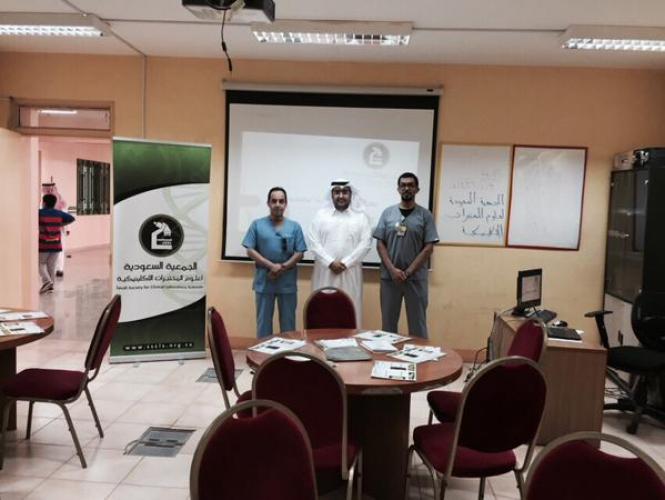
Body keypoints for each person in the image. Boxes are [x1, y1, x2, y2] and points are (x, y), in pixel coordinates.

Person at [373, 172, 439, 338]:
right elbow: (380, 244)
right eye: (403, 185)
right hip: (390, 279)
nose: (407, 188)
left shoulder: (425, 215)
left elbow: (428, 247)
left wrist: (408, 272)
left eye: (410, 185)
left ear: (417, 189)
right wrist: (392, 270)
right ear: (398, 189)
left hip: (415, 280)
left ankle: (420, 355)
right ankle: (387, 353)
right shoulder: (387, 213)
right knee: (388, 326)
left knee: (417, 325)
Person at [242, 187, 307, 338]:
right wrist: (271, 266)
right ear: (268, 203)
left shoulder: (295, 227)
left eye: (281, 201)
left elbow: (300, 252)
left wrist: (282, 267)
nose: (278, 204)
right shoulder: (257, 225)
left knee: (288, 325)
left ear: (286, 204)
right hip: (265, 281)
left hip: (287, 283)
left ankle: (288, 351)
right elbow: (250, 250)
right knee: (263, 324)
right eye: (274, 201)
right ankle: (263, 352)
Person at [307, 180, 372, 326]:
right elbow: (313, 242)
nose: (341, 196)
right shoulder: (320, 216)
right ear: (331, 194)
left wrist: (346, 263)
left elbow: (366, 244)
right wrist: (330, 262)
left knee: (350, 312)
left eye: (345, 192)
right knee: (323, 312)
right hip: (324, 273)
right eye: (337, 192)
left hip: (350, 274)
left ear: (351, 194)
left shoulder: (361, 218)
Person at [38, 193, 75, 294]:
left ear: (44, 203)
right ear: (54, 203)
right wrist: (60, 224)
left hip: (44, 245)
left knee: (40, 263)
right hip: (56, 245)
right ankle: (50, 287)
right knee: (52, 266)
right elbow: (72, 218)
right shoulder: (58, 213)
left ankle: (47, 281)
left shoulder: (40, 213)